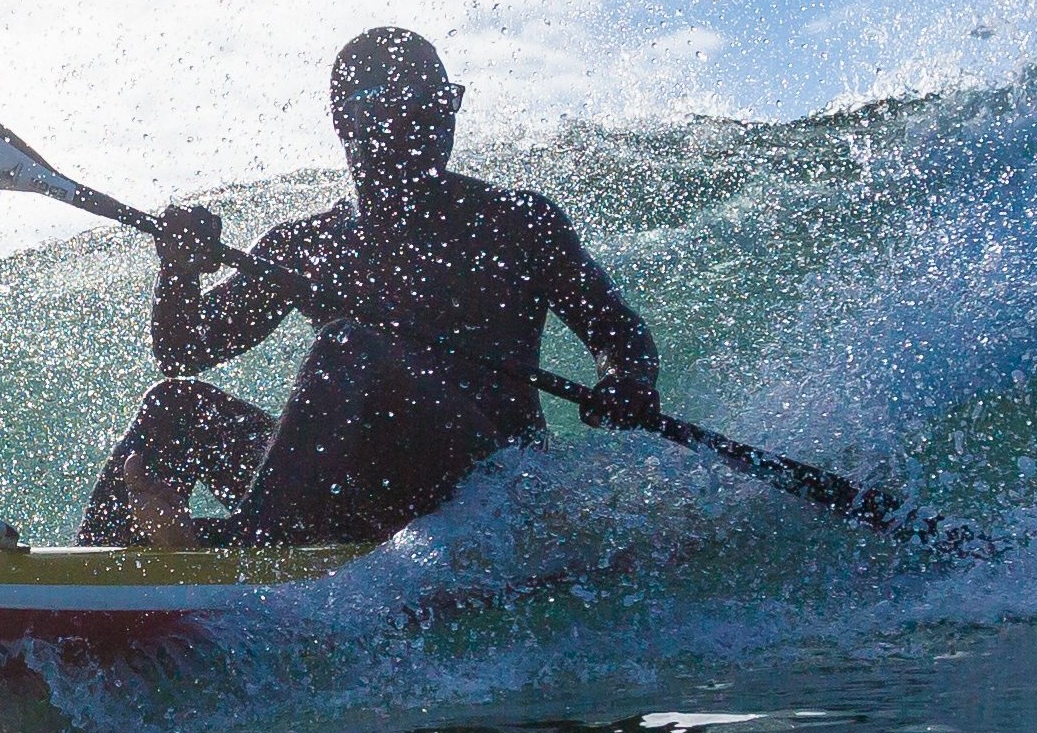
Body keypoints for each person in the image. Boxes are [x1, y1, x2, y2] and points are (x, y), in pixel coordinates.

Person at [77, 27, 668, 548]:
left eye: (443, 103)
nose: (433, 123)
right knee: (175, 403)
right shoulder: (309, 244)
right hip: (344, 493)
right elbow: (185, 352)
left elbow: (618, 331)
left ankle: (242, 546)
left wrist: (627, 381)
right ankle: (86, 582)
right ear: (346, 122)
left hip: (481, 484)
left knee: (348, 344)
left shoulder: (516, 223)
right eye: (406, 110)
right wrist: (178, 271)